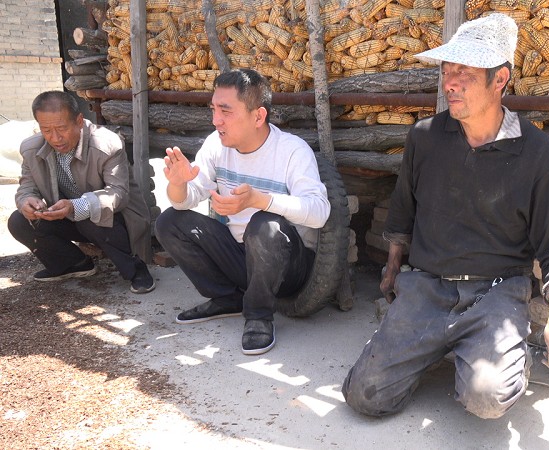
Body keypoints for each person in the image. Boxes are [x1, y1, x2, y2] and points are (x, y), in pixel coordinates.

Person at [342, 14, 549, 419]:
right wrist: (393, 268)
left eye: (464, 73)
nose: (449, 83)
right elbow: (403, 210)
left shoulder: (536, 151)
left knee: (486, 399)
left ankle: (503, 357)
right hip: (428, 288)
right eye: (446, 71)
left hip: (496, 294)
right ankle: (439, 345)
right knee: (364, 395)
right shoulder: (425, 138)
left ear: (499, 79)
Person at [154, 69, 330, 355]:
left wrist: (260, 200)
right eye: (213, 110)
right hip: (240, 258)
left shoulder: (292, 151)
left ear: (258, 116)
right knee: (169, 222)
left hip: (287, 266)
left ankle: (259, 315)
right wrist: (177, 184)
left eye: (226, 111)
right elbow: (183, 202)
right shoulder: (216, 144)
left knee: (264, 224)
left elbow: (320, 212)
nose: (216, 120)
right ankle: (227, 298)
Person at [8, 91, 155, 294]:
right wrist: (27, 200)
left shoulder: (107, 144)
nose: (55, 138)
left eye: (61, 128)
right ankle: (74, 264)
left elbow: (118, 195)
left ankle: (136, 267)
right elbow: (26, 186)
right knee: (19, 221)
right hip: (69, 217)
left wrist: (75, 207)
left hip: (118, 221)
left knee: (91, 217)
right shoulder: (30, 149)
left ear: (78, 121)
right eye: (46, 130)